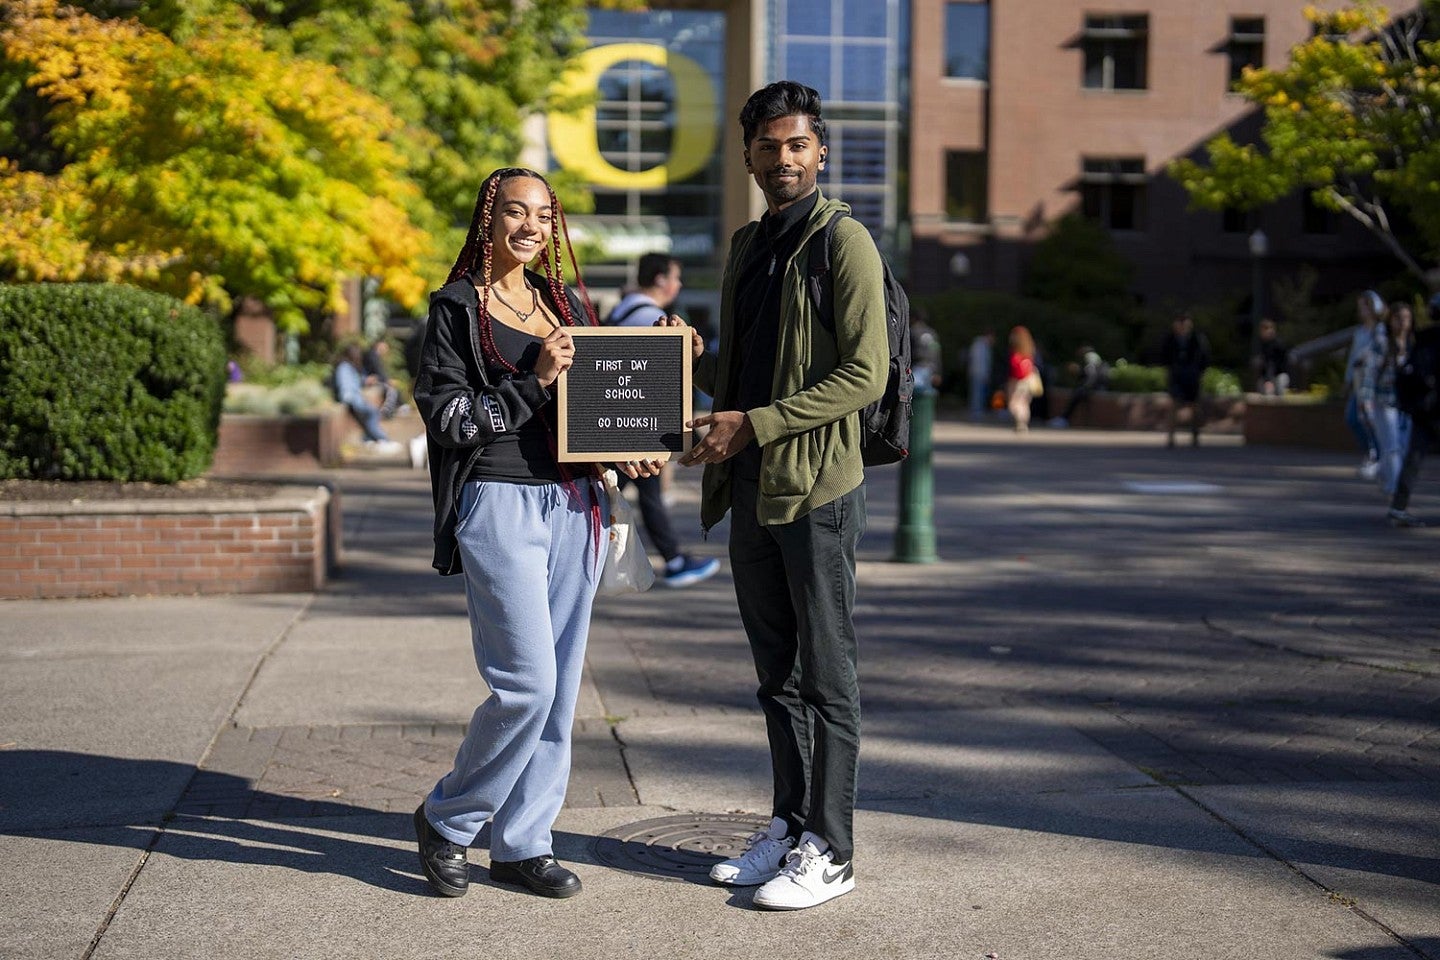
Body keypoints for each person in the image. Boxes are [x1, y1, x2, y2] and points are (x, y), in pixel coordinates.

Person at [410, 166, 663, 901]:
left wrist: (645, 422)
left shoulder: (560, 303)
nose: (531, 226)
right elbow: (451, 420)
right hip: (498, 504)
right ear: (488, 220)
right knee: (526, 686)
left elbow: (592, 407)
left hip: (574, 504)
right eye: (515, 212)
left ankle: (524, 843)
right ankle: (449, 818)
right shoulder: (456, 309)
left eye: (544, 216)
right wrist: (533, 381)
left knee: (559, 694)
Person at [668, 80, 887, 911]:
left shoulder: (846, 243)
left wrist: (755, 423)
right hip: (751, 486)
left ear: (820, 151)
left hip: (817, 489)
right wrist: (688, 373)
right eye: (769, 146)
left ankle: (833, 848)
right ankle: (792, 825)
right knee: (776, 677)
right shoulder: (745, 245)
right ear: (750, 155)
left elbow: (865, 374)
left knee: (828, 677)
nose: (784, 158)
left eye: (798, 144)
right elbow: (745, 369)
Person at [603, 253, 721, 588]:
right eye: (676, 277)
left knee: (619, 490)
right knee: (629, 491)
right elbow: (658, 377)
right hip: (638, 422)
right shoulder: (652, 318)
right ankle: (673, 560)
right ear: (660, 280)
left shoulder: (620, 310)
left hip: (616, 419)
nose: (678, 285)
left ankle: (674, 559)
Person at [1361, 301, 1414, 498]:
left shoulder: (1412, 344)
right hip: (1384, 400)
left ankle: (1385, 471)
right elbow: (1369, 371)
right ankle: (1395, 487)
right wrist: (1365, 399)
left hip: (1407, 403)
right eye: (1399, 318)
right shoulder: (1382, 342)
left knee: (1403, 445)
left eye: (1407, 318)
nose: (1403, 323)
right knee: (1391, 444)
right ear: (1391, 320)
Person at [1345, 291, 1386, 479]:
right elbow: (1353, 358)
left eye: (1364, 306)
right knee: (1353, 418)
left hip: (1375, 385)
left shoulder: (1381, 331)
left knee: (1369, 419)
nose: (1361, 310)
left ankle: (1377, 455)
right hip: (1359, 382)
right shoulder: (1360, 331)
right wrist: (1347, 380)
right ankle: (1372, 452)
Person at [334, 344, 401, 454]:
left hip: (355, 400)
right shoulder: (344, 367)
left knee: (372, 413)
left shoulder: (349, 367)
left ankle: (370, 438)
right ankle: (382, 439)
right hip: (352, 401)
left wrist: (365, 380)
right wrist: (351, 402)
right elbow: (345, 387)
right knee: (372, 413)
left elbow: (355, 381)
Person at [1161, 313, 1210, 448]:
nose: (1182, 327)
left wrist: (1200, 373)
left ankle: (1195, 434)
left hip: (1192, 377)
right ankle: (1171, 437)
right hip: (1177, 376)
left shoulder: (1197, 339)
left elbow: (1204, 358)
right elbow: (1164, 357)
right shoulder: (1170, 339)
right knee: (1174, 405)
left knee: (1194, 407)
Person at [1050, 344, 1108, 428]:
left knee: (1077, 395)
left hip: (1096, 386)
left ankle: (1064, 418)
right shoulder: (1094, 356)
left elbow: (1091, 374)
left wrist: (1085, 386)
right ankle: (1063, 418)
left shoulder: (1090, 356)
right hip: (1096, 385)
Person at [1005, 325, 1039, 434]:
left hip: (1017, 380)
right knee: (1024, 402)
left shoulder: (1015, 352)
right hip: (1028, 379)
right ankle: (1022, 423)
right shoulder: (1029, 349)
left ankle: (1020, 422)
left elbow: (1013, 367)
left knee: (1014, 403)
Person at [362, 338, 402, 417]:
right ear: (379, 345)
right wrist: (388, 380)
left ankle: (394, 409)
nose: (386, 350)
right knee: (391, 390)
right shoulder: (372, 355)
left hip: (374, 380)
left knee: (392, 388)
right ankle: (386, 412)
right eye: (385, 347)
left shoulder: (374, 355)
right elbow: (378, 372)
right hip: (370, 381)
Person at [910, 307, 943, 395]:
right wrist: (938, 372)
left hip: (917, 367)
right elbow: (936, 353)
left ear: (913, 318)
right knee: (927, 396)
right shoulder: (932, 333)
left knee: (915, 397)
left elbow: (907, 352)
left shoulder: (912, 331)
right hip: (931, 368)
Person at [1253, 318, 1290, 396]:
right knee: (1261, 387)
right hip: (1269, 376)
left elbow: (1273, 363)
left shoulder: (1278, 344)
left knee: (1275, 392)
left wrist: (1269, 380)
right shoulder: (1264, 344)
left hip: (1279, 375)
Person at [968, 330, 994, 419]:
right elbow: (980, 362)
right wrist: (985, 374)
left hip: (978, 373)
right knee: (977, 394)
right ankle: (976, 411)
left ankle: (977, 410)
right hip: (979, 373)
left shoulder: (981, 345)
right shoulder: (980, 346)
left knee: (978, 393)